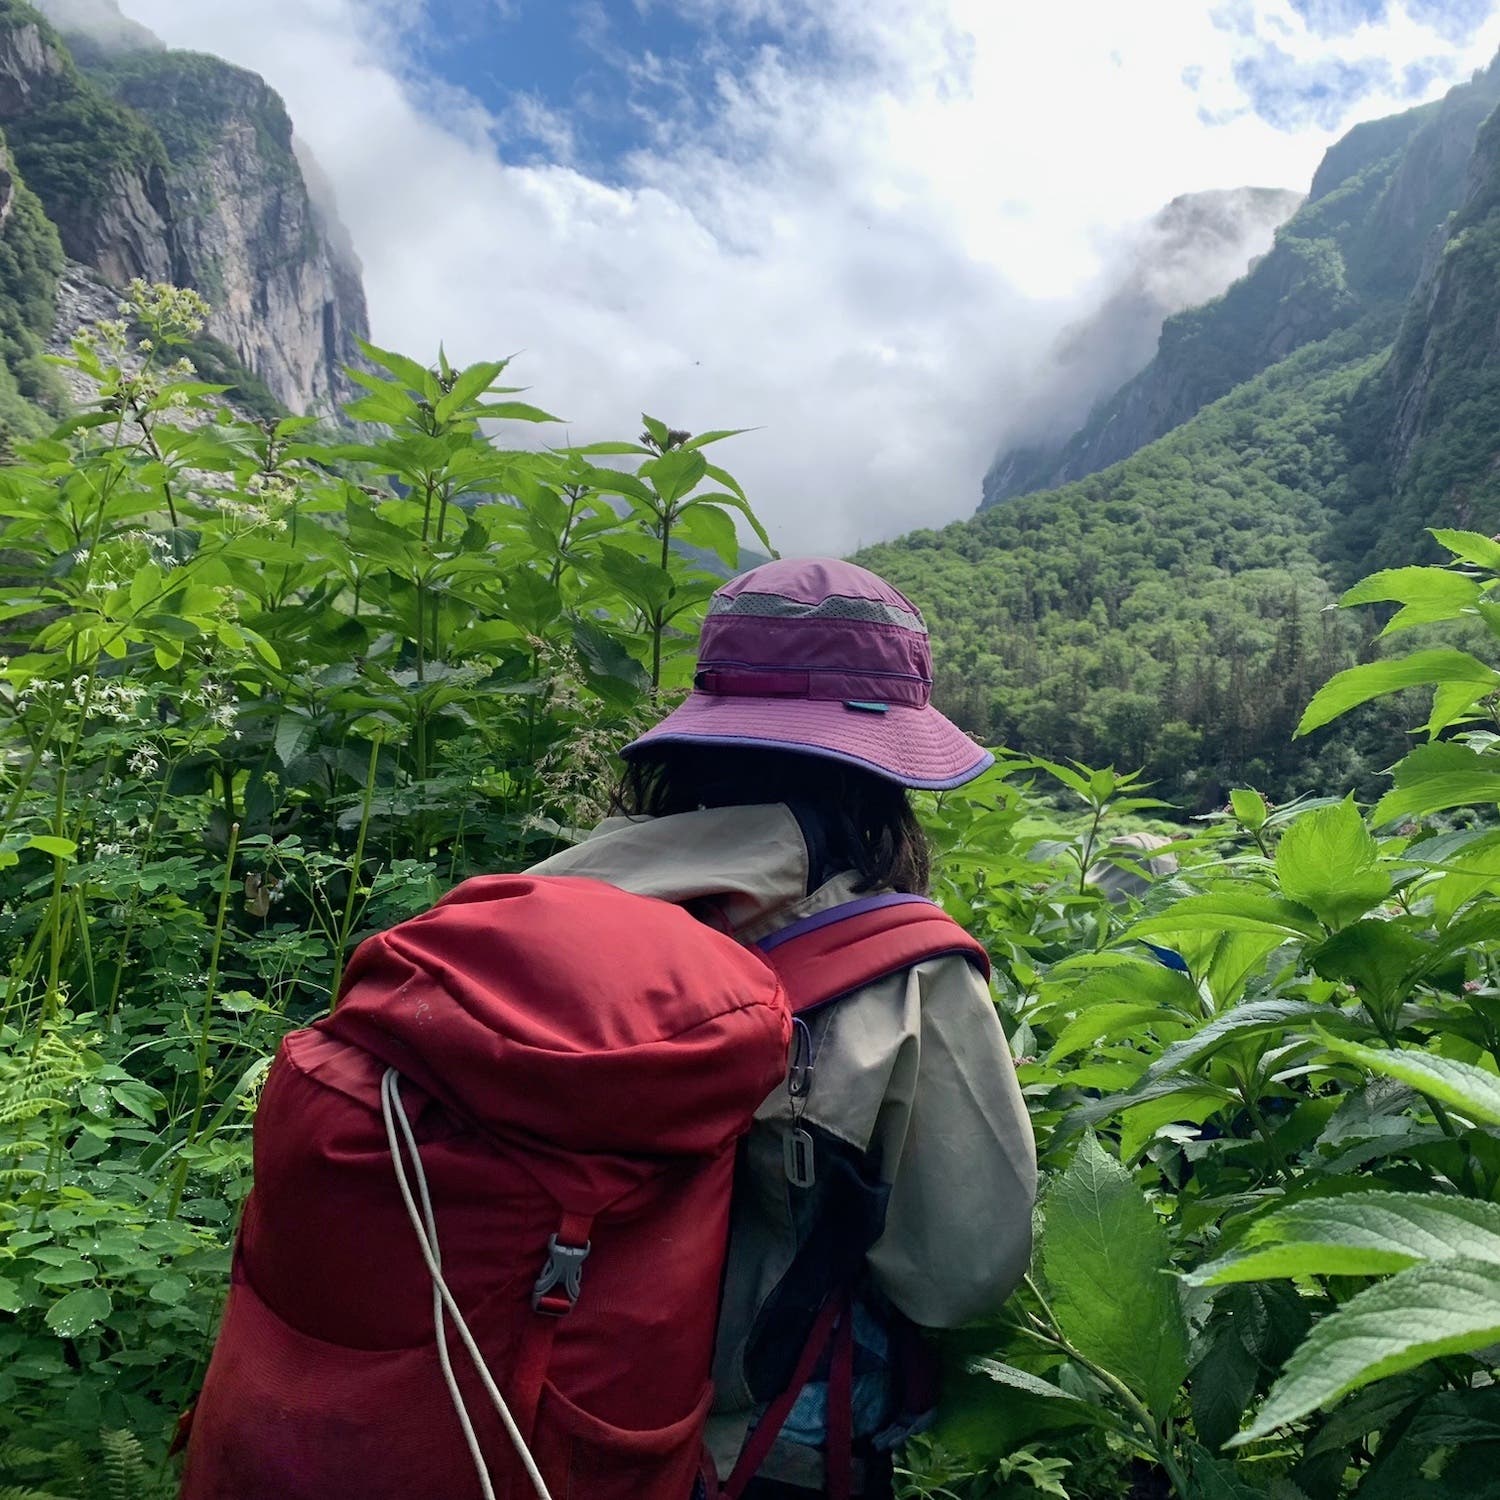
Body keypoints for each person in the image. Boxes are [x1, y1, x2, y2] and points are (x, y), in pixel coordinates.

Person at [530, 556, 1038, 1497]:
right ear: (885, 779)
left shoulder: (532, 903)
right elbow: (961, 1272)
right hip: (755, 1449)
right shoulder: (906, 975)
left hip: (496, 1395)